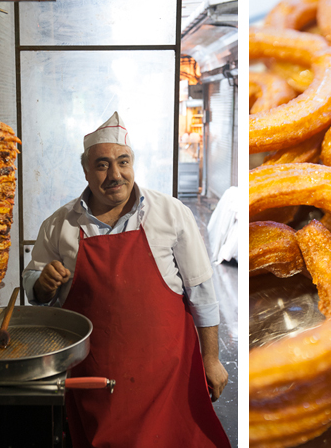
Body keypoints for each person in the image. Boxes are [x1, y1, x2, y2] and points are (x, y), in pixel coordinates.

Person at [22, 112, 231, 447]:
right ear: (86, 171)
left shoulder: (171, 213)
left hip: (167, 374)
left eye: (123, 161)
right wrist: (40, 282)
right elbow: (35, 285)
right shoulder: (59, 224)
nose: (115, 174)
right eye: (102, 165)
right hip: (96, 379)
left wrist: (211, 358)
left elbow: (201, 291)